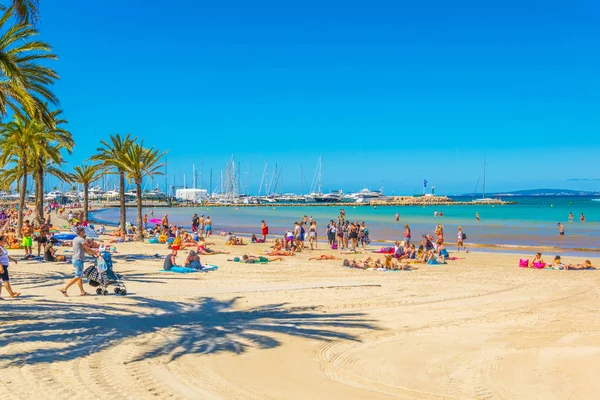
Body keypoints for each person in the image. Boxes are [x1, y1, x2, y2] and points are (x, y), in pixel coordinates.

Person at [59, 227, 97, 297]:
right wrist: (96, 253)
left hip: (75, 259)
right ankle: (64, 288)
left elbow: (85, 250)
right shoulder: (81, 239)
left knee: (79, 277)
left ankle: (82, 291)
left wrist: (93, 253)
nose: (84, 232)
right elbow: (87, 249)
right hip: (78, 260)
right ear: (81, 232)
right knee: (77, 276)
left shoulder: (75, 239)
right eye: (83, 231)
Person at [0, 235, 20, 299]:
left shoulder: (2, 247)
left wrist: (13, 260)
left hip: (4, 265)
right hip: (2, 266)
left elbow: (6, 256)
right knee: (6, 280)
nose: (6, 241)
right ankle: (11, 294)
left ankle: (11, 293)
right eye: (4, 240)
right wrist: (1, 267)